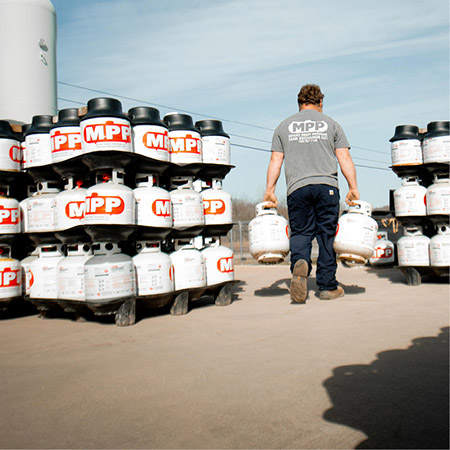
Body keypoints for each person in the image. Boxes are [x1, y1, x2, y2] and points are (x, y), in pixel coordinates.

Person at [264, 84, 359, 303]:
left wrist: (270, 191)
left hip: (297, 188)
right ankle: (327, 287)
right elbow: (344, 157)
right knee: (326, 235)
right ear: (320, 103)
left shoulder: (283, 126)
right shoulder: (332, 124)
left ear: (299, 103)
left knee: (301, 233)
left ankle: (300, 265)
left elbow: (275, 160)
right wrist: (353, 187)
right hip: (327, 187)